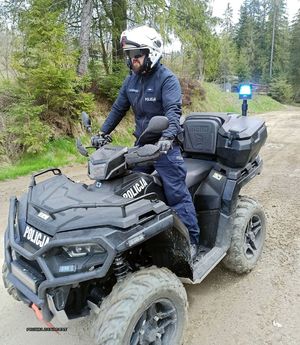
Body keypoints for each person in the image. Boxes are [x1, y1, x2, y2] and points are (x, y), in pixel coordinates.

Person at [100, 25, 200, 258]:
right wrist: (102, 132)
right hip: (142, 148)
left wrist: (167, 137)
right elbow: (118, 109)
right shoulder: (131, 81)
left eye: (137, 56)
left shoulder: (167, 80)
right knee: (123, 188)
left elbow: (173, 112)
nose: (132, 61)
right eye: (130, 56)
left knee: (177, 193)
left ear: (151, 53)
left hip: (165, 148)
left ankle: (192, 241)